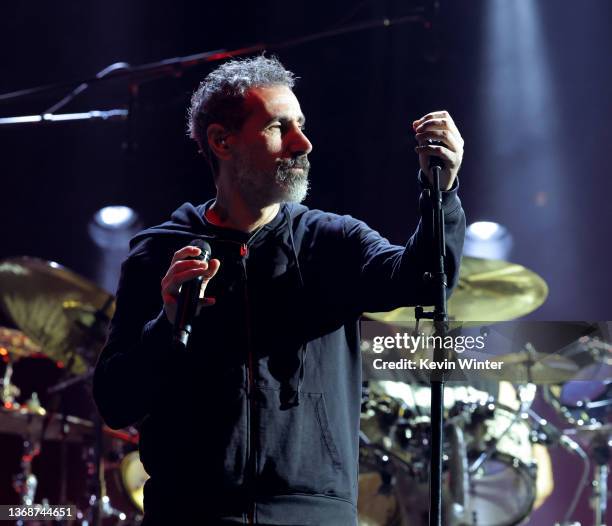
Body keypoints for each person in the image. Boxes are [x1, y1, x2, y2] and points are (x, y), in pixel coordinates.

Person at [93, 55, 466, 525]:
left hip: (313, 513)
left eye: (301, 125)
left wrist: (442, 192)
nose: (302, 143)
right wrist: (165, 324)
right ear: (221, 141)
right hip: (192, 514)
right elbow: (115, 401)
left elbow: (425, 282)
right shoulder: (160, 252)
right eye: (278, 127)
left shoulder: (333, 241)